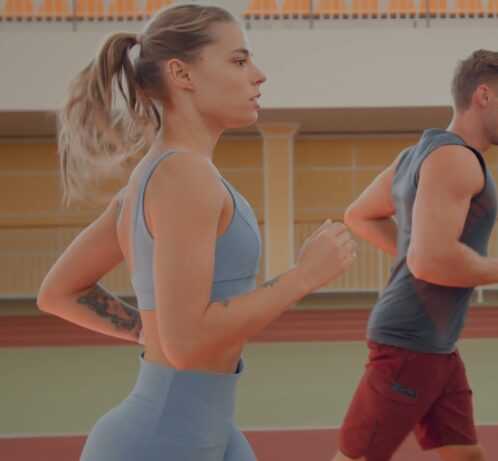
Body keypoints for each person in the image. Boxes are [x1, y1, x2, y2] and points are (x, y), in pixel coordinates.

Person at [36, 4, 356, 460]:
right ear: (181, 74)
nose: (259, 75)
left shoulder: (158, 178)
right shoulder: (183, 175)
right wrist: (303, 276)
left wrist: (150, 330)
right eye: (239, 61)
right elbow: (185, 345)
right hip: (159, 443)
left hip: (209, 433)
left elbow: (59, 292)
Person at [332, 49, 498, 461]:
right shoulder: (456, 159)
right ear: (484, 96)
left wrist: (417, 249)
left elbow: (359, 216)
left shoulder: (417, 154)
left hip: (437, 347)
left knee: (465, 456)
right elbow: (429, 261)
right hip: (409, 343)